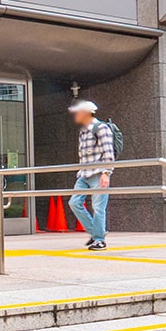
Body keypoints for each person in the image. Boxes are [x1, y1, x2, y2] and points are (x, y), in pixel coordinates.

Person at [68, 99, 115, 251]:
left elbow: (108, 152)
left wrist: (106, 173)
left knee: (98, 207)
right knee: (74, 203)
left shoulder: (101, 128)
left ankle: (99, 240)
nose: (75, 115)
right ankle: (96, 233)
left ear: (86, 113)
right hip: (84, 174)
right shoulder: (83, 131)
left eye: (77, 112)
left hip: (98, 173)